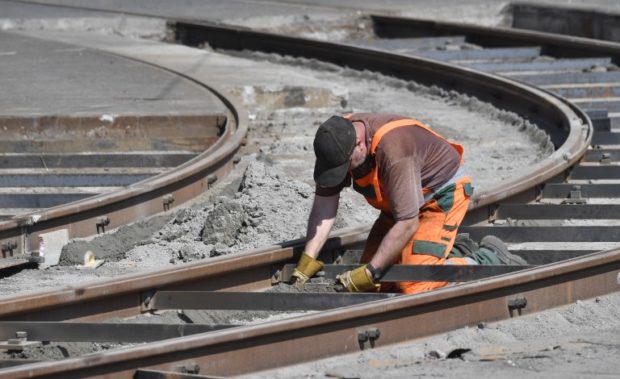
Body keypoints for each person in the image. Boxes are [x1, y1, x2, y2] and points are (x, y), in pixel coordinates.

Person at [290, 113, 527, 294]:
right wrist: (307, 261)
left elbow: (408, 222)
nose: (344, 172)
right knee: (378, 284)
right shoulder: (337, 139)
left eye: (346, 166)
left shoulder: (394, 151)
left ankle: (488, 258)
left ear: (360, 145)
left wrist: (371, 271)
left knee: (413, 283)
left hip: (438, 198)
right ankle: (450, 252)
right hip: (399, 207)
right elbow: (324, 205)